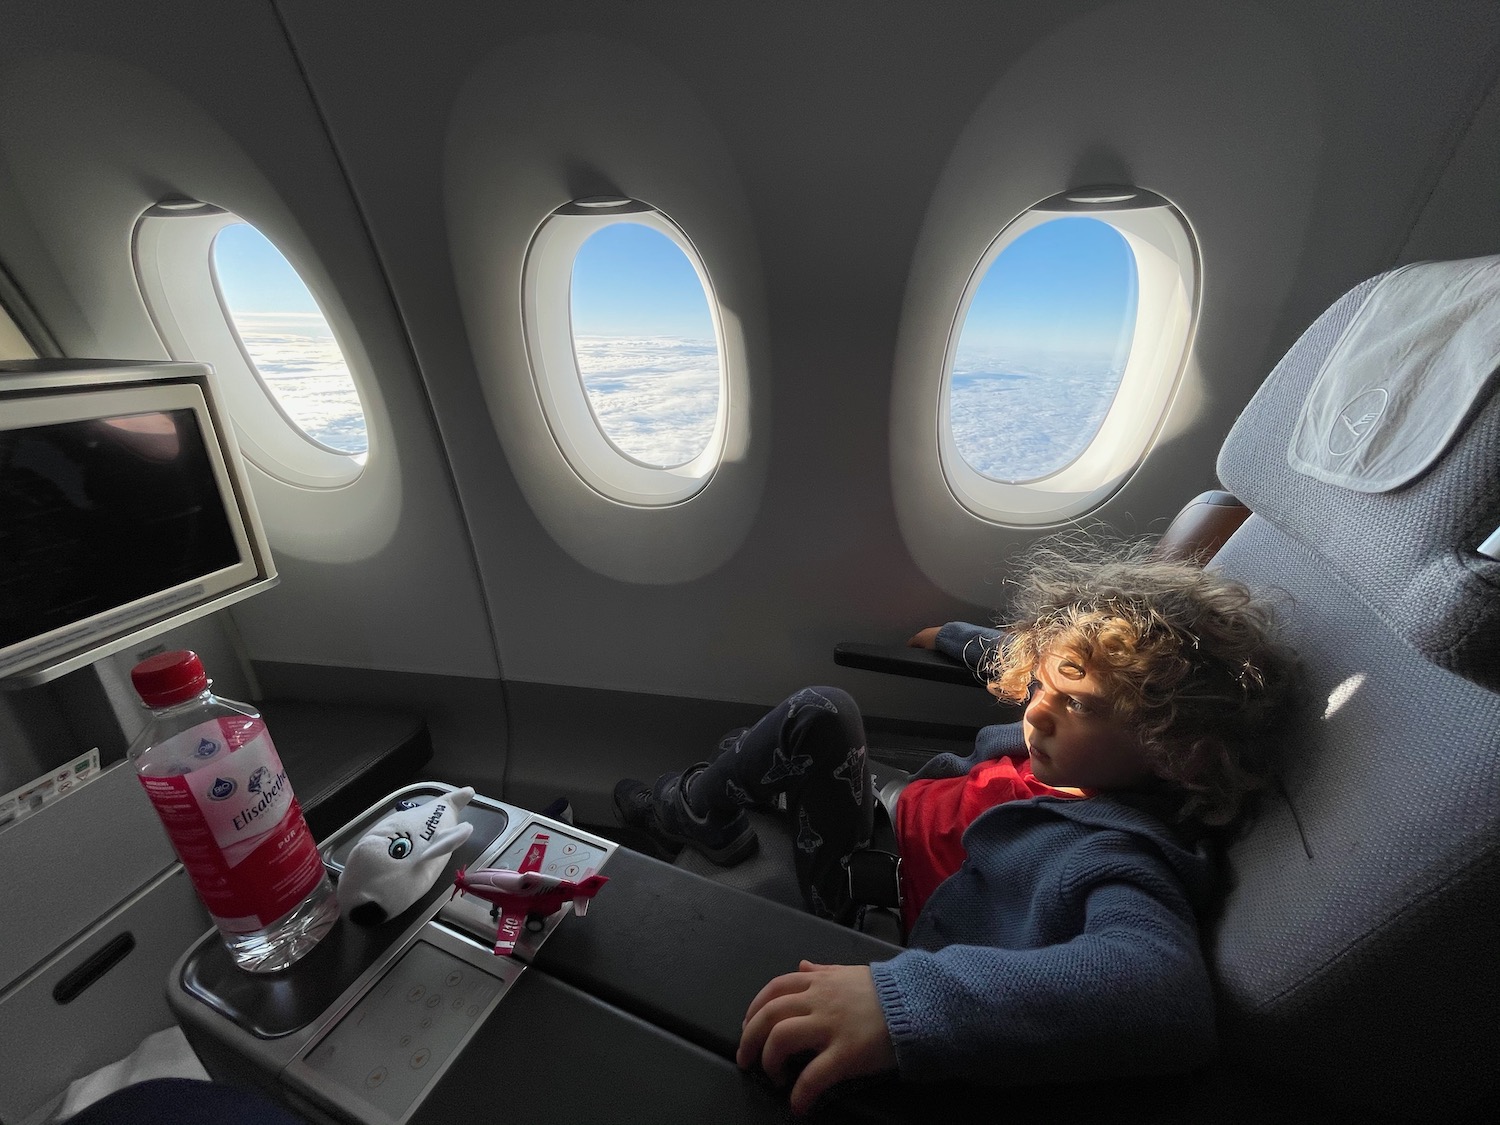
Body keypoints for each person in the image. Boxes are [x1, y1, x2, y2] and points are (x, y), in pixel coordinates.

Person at [613, 538, 1294, 1114]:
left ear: (1177, 748)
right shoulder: (1071, 750)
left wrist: (908, 1000)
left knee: (818, 716)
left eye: (1077, 704)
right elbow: (1047, 667)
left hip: (875, 894)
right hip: (898, 803)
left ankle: (689, 810)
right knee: (755, 744)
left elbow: (1163, 992)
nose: (1038, 713)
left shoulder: (1115, 853)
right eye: (1041, 684)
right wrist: (962, 641)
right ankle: (703, 799)